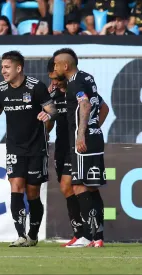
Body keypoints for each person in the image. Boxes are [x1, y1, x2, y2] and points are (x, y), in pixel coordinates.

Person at [0, 51, 57, 247]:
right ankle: (21, 235)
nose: (3, 71)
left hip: (36, 148)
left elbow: (52, 110)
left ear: (18, 68)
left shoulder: (36, 87)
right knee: (16, 187)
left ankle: (33, 234)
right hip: (14, 147)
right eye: (2, 67)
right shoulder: (1, 89)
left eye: (7, 67)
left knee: (32, 194)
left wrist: (47, 116)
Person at [46, 56, 109, 247]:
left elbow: (95, 106)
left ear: (64, 69)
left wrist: (85, 132)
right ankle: (89, 235)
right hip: (66, 146)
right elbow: (49, 124)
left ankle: (89, 236)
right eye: (52, 79)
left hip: (80, 143)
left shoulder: (76, 85)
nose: (54, 83)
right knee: (78, 186)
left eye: (56, 77)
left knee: (80, 186)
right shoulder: (59, 93)